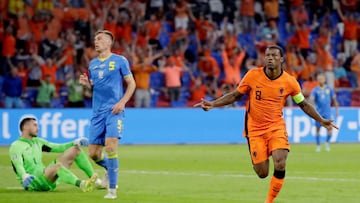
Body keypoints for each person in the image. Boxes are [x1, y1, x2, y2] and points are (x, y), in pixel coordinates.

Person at [194, 45, 338, 203]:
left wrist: (321, 120)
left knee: (280, 161)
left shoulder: (290, 82)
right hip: (255, 129)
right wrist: (213, 104)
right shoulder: (253, 75)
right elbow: (235, 95)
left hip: (276, 127)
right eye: (268, 55)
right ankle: (256, 153)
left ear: (281, 59)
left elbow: (303, 104)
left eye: (274, 55)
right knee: (262, 173)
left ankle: (268, 201)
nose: (270, 58)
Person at [79, 30, 136, 199]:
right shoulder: (93, 64)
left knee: (110, 146)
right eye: (95, 39)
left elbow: (132, 84)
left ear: (109, 43)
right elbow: (95, 90)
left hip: (114, 111)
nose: (96, 42)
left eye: (100, 39)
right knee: (94, 154)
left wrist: (122, 102)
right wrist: (86, 86)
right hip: (97, 113)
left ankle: (112, 190)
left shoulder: (120, 61)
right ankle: (108, 169)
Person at [9, 116, 99, 192]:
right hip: (34, 182)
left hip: (45, 176)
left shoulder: (38, 141)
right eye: (35, 125)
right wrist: (24, 175)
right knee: (58, 166)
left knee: (75, 149)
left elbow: (58, 147)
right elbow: (18, 164)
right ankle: (82, 184)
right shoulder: (16, 146)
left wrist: (75, 142)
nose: (38, 128)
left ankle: (95, 180)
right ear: (26, 127)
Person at [310, 73, 339, 152]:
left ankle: (327, 143)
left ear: (325, 80)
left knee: (329, 129)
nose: (320, 80)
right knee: (317, 129)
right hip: (318, 113)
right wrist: (311, 109)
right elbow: (311, 100)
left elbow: (334, 100)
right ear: (317, 80)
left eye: (322, 79)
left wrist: (337, 110)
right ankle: (318, 145)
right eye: (319, 79)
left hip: (327, 113)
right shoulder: (315, 90)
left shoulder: (329, 89)